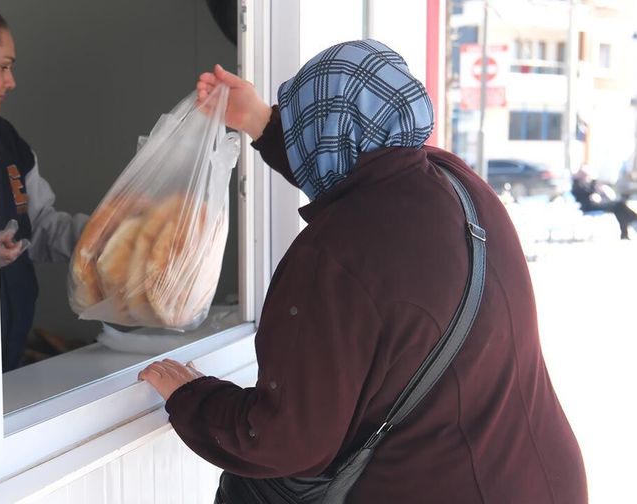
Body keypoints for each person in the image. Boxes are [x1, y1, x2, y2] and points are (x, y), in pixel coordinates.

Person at [139, 40, 587, 503]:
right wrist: (260, 122)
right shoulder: (455, 181)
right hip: (545, 476)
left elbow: (283, 440)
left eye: (300, 126)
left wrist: (191, 398)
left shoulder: (335, 258)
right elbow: (354, 168)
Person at [0, 7, 89, 371]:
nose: (11, 81)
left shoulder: (9, 142)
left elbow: (42, 226)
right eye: (3, 66)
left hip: (10, 356)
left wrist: (105, 234)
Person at [571, 166, 637, 240]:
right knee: (619, 205)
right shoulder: (577, 184)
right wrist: (592, 196)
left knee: (619, 207)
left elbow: (599, 191)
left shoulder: (591, 183)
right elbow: (581, 195)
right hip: (588, 206)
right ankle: (633, 218)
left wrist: (600, 192)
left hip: (598, 203)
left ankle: (625, 232)